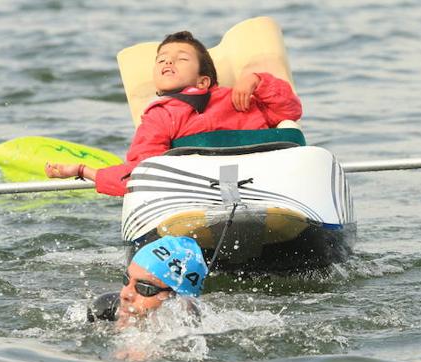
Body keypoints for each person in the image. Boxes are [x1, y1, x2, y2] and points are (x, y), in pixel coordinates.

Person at [45, 30, 302, 196]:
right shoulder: (159, 116)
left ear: (203, 81)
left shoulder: (241, 98)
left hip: (265, 188)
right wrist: (84, 170)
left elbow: (289, 110)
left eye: (181, 59)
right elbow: (140, 174)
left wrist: (256, 80)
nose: (168, 61)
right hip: (199, 198)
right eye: (161, 59)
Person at [113, 235, 208, 328]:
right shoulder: (102, 313)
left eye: (145, 288)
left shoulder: (194, 340)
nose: (124, 294)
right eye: (126, 279)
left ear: (178, 302)